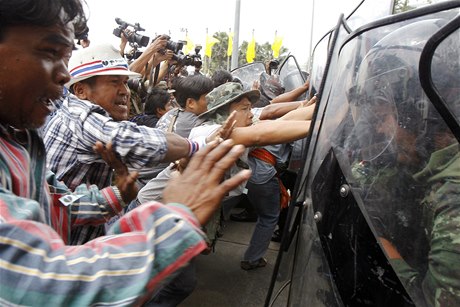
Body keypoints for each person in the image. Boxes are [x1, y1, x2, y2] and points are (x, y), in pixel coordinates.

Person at [0, 1, 251, 305]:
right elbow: (41, 285)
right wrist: (172, 221)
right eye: (49, 53)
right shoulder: (79, 114)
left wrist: (116, 195)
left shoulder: (19, 139)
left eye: (125, 83)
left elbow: (57, 202)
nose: (64, 75)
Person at [339, 18, 460, 306]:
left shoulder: (454, 201)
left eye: (384, 119)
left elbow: (432, 301)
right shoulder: (422, 158)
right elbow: (372, 180)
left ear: (420, 117)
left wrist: (384, 247)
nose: (380, 131)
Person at [43, 43, 208, 244]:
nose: (125, 92)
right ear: (80, 90)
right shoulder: (79, 116)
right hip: (62, 247)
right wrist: (198, 146)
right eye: (114, 82)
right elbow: (135, 141)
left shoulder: (83, 113)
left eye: (125, 83)